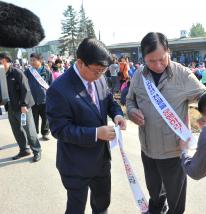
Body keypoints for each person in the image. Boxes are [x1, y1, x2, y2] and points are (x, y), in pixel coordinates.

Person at [126, 32, 206, 214]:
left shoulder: (183, 75)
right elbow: (130, 100)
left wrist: (205, 119)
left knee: (176, 199)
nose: (158, 65)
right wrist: (131, 112)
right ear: (143, 58)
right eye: (151, 61)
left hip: (174, 152)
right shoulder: (139, 75)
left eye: (162, 59)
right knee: (154, 192)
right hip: (148, 149)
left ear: (168, 51)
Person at [46, 38, 126, 214]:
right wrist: (96, 133)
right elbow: (60, 129)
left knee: (102, 204)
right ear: (80, 63)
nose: (100, 75)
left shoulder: (99, 78)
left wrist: (117, 114)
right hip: (76, 163)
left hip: (101, 160)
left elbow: (109, 100)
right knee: (76, 209)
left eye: (103, 71)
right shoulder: (59, 89)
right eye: (97, 71)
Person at [0, 52, 41, 162]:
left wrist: (24, 104)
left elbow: (25, 89)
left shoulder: (17, 72)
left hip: (23, 108)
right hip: (10, 108)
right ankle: (24, 150)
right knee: (17, 130)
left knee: (29, 130)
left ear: (4, 60)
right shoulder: (2, 75)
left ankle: (37, 150)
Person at [25, 53, 53, 140]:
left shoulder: (47, 71)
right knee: (33, 118)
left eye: (34, 60)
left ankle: (45, 133)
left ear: (40, 60)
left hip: (45, 99)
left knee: (45, 117)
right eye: (31, 60)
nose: (32, 62)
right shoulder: (28, 72)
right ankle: (34, 134)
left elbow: (51, 85)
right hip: (32, 100)